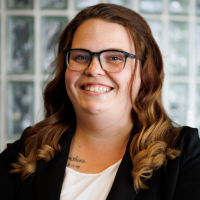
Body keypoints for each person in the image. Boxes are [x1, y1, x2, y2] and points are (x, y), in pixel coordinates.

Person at [0, 3, 200, 200]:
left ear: (144, 72)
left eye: (114, 57)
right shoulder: (24, 152)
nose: (93, 69)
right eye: (81, 56)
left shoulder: (184, 157)